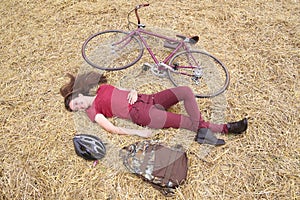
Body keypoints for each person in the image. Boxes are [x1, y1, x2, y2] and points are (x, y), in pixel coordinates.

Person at [60, 72, 248, 146]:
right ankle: (226, 128)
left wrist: (133, 90)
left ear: (78, 95)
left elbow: (123, 90)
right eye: (76, 109)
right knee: (186, 121)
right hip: (143, 114)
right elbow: (112, 128)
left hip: (147, 99)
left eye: (76, 103)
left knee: (185, 90)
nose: (79, 107)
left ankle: (202, 132)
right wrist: (138, 133)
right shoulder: (93, 112)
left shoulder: (102, 88)